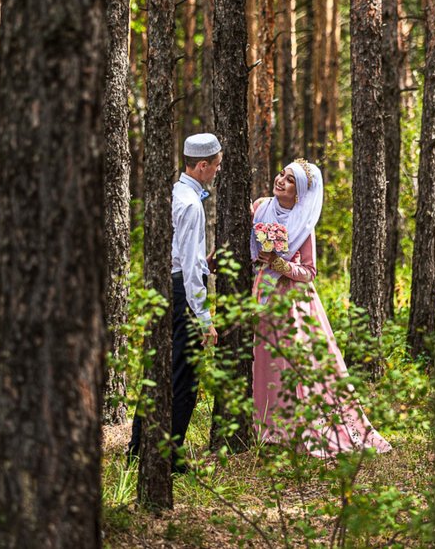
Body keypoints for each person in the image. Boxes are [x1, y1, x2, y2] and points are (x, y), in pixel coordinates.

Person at [250, 159, 391, 457]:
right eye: (281, 174)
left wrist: (279, 263)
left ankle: (300, 430)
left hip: (294, 304)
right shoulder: (261, 207)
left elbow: (310, 272)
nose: (280, 181)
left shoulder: (305, 224)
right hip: (265, 295)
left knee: (295, 364)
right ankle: (269, 429)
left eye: (289, 181)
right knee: (266, 361)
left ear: (299, 193)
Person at [129, 133, 221, 473]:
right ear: (201, 166)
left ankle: (139, 448)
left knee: (159, 370)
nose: (216, 172)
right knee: (183, 378)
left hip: (166, 286)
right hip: (182, 293)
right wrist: (205, 317)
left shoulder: (174, 193)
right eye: (215, 166)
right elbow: (191, 265)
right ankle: (168, 456)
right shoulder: (191, 204)